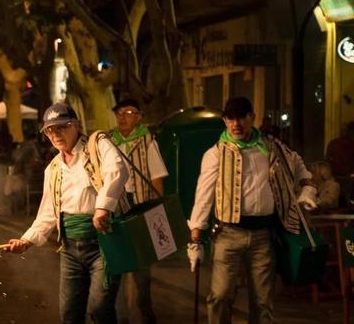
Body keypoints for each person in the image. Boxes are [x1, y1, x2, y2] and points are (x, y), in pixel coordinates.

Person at [187, 97, 318, 324]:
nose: (235, 124)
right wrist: (196, 237)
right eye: (230, 118)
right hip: (228, 235)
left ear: (252, 118)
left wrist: (307, 187)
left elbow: (297, 165)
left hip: (262, 236)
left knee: (262, 302)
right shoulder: (216, 153)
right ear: (224, 121)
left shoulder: (271, 147)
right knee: (220, 296)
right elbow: (203, 194)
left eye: (241, 117)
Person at [6, 102, 129, 323]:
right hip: (70, 250)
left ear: (76, 125)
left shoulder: (98, 145)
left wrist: (102, 208)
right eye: (50, 130)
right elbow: (47, 214)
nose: (56, 134)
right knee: (70, 314)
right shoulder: (53, 168)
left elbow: (117, 169)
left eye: (62, 127)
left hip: (104, 244)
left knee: (100, 309)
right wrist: (26, 240)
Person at [109, 99, 167, 324]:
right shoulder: (108, 141)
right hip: (115, 206)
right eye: (119, 113)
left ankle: (145, 310)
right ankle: (120, 315)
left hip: (141, 204)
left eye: (129, 113)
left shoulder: (147, 141)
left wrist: (158, 212)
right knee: (117, 262)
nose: (123, 117)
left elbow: (157, 178)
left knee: (142, 264)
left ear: (139, 116)